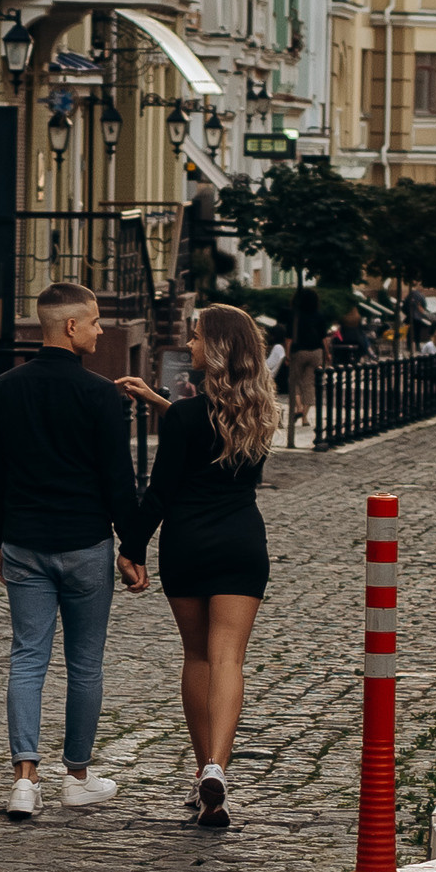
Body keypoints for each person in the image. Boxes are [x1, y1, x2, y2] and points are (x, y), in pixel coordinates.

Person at [0, 281, 153, 821]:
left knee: (27, 658)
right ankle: (76, 776)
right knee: (85, 663)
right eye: (96, 322)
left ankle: (24, 781)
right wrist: (134, 545)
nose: (101, 330)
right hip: (85, 544)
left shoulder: (5, 388)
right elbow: (117, 480)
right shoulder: (101, 394)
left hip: (26, 541)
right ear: (71, 326)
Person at [130, 302, 278, 831]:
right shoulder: (261, 411)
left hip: (187, 544)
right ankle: (218, 765)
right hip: (242, 542)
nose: (189, 345)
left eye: (195, 338)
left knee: (196, 657)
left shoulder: (188, 416)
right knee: (229, 660)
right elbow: (211, 432)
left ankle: (201, 774)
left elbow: (161, 491)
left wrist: (131, 547)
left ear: (214, 348)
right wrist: (162, 404)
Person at [284, 295, 325, 448]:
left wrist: (288, 355)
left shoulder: (294, 316)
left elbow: (288, 338)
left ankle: (299, 408)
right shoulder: (319, 316)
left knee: (294, 381)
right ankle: (305, 418)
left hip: (298, 352)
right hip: (315, 352)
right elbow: (324, 338)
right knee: (309, 383)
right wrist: (326, 354)